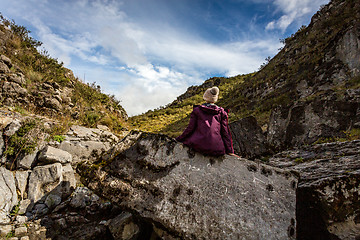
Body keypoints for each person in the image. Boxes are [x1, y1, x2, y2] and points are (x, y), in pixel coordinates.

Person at [176, 86, 239, 157]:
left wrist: (178, 139)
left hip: (199, 144)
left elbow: (190, 129)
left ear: (205, 97)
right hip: (216, 148)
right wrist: (230, 151)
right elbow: (225, 132)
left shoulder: (197, 110)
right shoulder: (222, 112)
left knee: (189, 141)